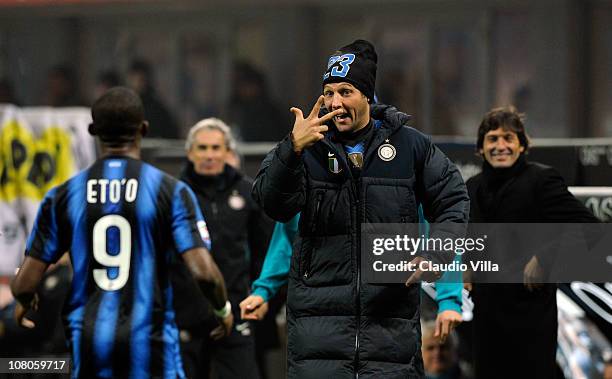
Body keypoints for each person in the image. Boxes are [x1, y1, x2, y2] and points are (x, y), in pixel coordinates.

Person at [251, 39, 469, 378]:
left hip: (389, 336)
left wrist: (437, 255)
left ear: (367, 95)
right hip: (317, 337)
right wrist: (290, 150)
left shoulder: (411, 147)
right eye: (329, 92)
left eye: (346, 91)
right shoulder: (306, 149)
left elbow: (453, 201)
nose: (335, 102)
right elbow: (273, 205)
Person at [10, 87, 233, 379]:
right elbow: (204, 273)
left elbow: (24, 283)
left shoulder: (63, 195)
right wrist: (222, 310)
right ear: (143, 129)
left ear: (93, 130)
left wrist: (25, 302)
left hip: (88, 343)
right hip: (152, 343)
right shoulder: (171, 192)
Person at [465, 106, 600, 379]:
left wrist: (545, 258)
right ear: (481, 148)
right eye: (492, 139)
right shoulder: (473, 186)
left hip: (530, 320)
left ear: (522, 146)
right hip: (486, 319)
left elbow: (590, 229)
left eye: (508, 138)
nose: (500, 146)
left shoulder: (541, 180)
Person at [240, 209, 463, 343]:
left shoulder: (401, 165)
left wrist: (449, 299)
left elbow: (440, 234)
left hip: (387, 318)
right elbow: (288, 238)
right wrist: (263, 289)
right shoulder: (312, 169)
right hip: (324, 319)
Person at [171, 117, 273, 378]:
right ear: (189, 152)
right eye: (202, 148)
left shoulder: (249, 193)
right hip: (185, 318)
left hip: (237, 312)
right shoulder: (172, 195)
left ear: (228, 152)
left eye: (216, 148)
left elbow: (267, 254)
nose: (209, 155)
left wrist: (262, 296)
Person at [127, 59, 179, 139]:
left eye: (141, 80)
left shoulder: (156, 109)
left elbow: (171, 134)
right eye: (134, 79)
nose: (137, 84)